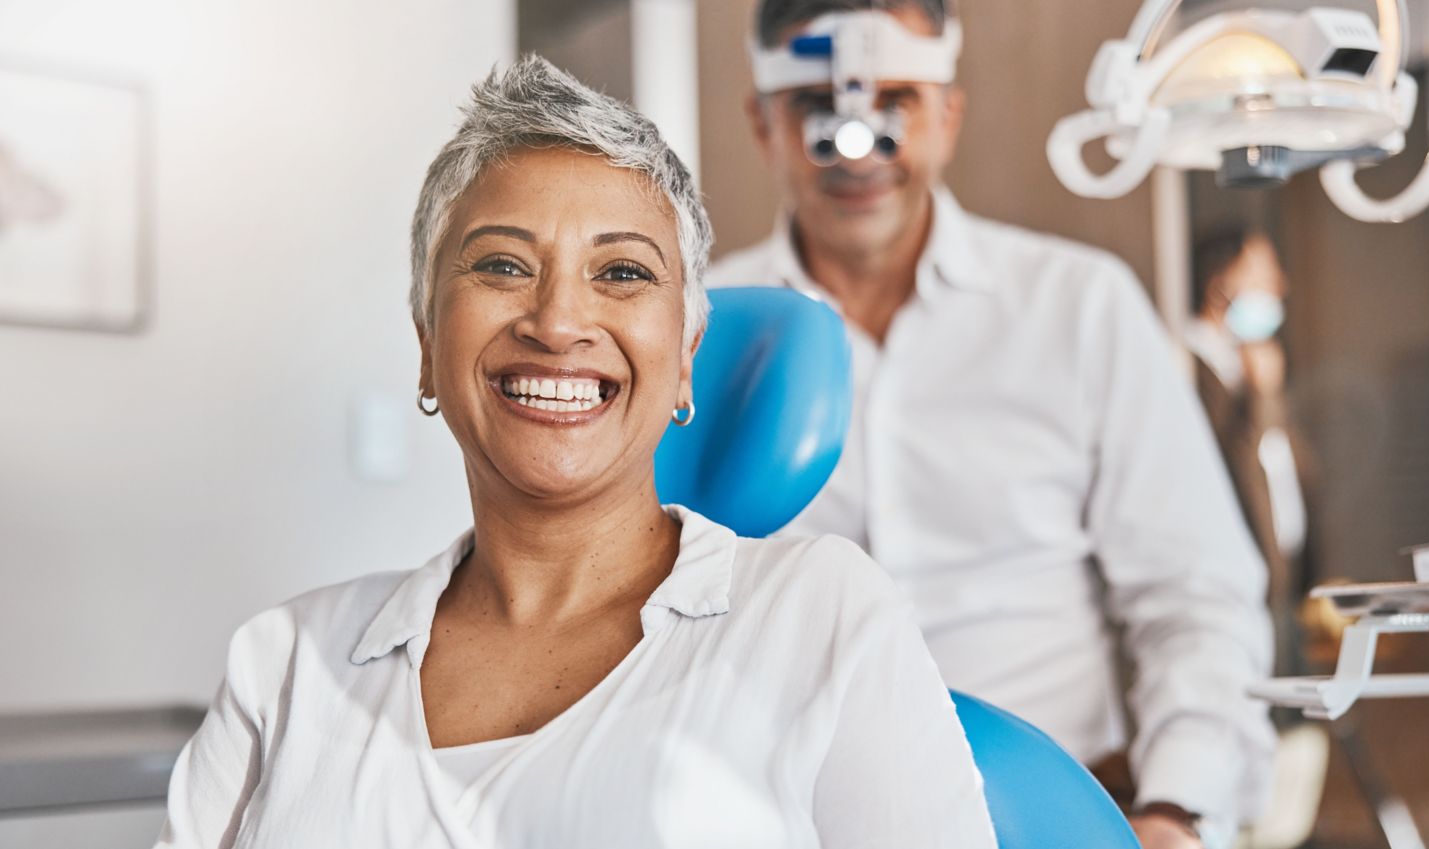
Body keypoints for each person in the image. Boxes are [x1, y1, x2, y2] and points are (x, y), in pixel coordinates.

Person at [153, 56, 994, 849]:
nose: (556, 323)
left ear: (687, 356)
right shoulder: (288, 658)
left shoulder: (818, 614)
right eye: (503, 265)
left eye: (622, 272)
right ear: (426, 341)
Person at [709, 2, 1276, 846]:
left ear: (948, 112)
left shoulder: (1079, 306)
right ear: (761, 122)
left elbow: (1195, 595)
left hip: (1062, 805)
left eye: (894, 100)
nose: (859, 144)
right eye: (815, 108)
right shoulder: (695, 334)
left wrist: (1177, 808)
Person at [1188, 230, 1310, 678]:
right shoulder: (1190, 365)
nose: (1279, 286)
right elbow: (1230, 468)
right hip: (1229, 588)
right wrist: (1260, 397)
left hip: (1278, 585)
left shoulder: (1253, 361)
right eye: (1261, 273)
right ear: (1219, 281)